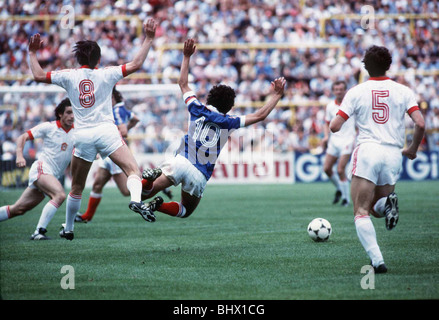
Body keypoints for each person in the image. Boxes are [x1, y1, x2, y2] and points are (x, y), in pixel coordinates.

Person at [28, 18, 158, 240]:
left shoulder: (68, 75)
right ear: (98, 59)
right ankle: (135, 200)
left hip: (84, 135)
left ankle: (68, 229)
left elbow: (38, 75)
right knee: (133, 171)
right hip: (107, 132)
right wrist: (148, 38)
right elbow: (136, 64)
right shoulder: (107, 73)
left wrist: (32, 52)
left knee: (77, 187)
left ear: (77, 59)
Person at [137, 38, 286, 222]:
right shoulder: (229, 121)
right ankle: (159, 206)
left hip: (181, 161)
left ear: (209, 99)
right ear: (229, 106)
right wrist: (277, 95)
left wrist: (186, 56)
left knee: (143, 193)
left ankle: (149, 179)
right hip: (199, 174)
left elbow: (183, 83)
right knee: (185, 210)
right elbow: (260, 115)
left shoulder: (196, 108)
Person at [330, 45, 425, 273]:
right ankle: (388, 205)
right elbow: (420, 123)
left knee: (361, 210)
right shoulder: (403, 91)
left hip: (368, 150)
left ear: (365, 66)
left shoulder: (355, 91)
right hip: (393, 153)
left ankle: (377, 260)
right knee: (376, 208)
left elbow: (334, 126)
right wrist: (412, 149)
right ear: (388, 65)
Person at [0, 99, 75, 240]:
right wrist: (19, 156)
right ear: (60, 114)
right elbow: (22, 137)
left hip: (52, 175)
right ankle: (39, 231)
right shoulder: (49, 127)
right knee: (59, 195)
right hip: (42, 169)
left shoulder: (76, 132)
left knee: (18, 209)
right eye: (68, 112)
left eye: (74, 113)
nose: (72, 116)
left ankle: (38, 232)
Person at [74, 87, 140, 223]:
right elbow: (135, 119)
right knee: (97, 185)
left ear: (112, 98)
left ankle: (155, 185)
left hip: (113, 151)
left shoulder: (115, 110)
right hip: (108, 152)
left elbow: (124, 132)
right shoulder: (121, 109)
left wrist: (110, 137)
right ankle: (87, 216)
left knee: (126, 191)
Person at [322, 80, 356, 206]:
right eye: (336, 90)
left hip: (348, 139)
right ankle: (340, 189)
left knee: (340, 169)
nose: (339, 92)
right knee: (326, 168)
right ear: (333, 91)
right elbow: (327, 123)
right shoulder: (330, 106)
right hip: (334, 140)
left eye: (341, 89)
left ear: (345, 90)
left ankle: (346, 199)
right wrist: (326, 136)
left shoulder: (351, 104)